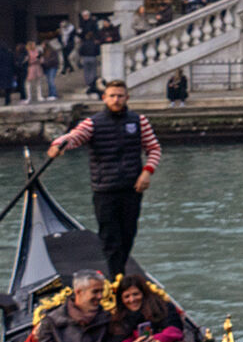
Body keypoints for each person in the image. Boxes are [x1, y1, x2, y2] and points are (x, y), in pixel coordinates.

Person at [46, 80, 163, 278]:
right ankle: (117, 278)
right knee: (110, 238)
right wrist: (59, 145)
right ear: (104, 98)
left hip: (131, 188)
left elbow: (154, 149)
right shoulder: (93, 123)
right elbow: (75, 136)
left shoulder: (139, 121)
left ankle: (118, 274)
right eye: (112, 96)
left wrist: (147, 172)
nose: (116, 99)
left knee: (127, 235)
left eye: (120, 96)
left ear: (127, 98)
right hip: (105, 190)